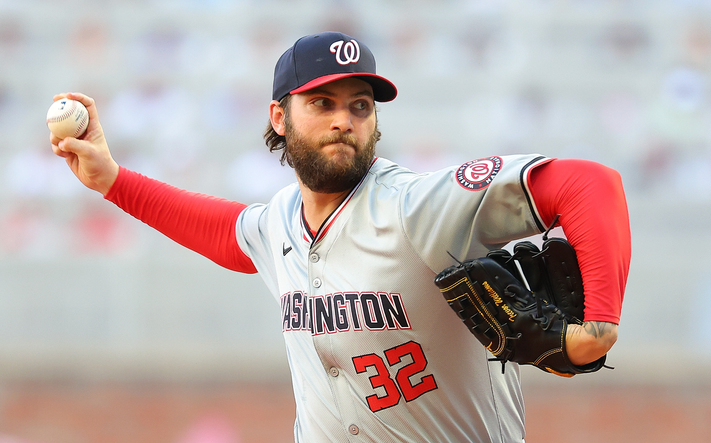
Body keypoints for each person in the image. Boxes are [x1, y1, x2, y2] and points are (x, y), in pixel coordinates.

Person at [50, 31, 631, 443]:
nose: (343, 120)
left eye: (359, 105)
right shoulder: (278, 221)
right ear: (280, 117)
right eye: (321, 102)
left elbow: (590, 185)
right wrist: (112, 181)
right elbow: (228, 235)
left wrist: (596, 331)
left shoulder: (416, 207)